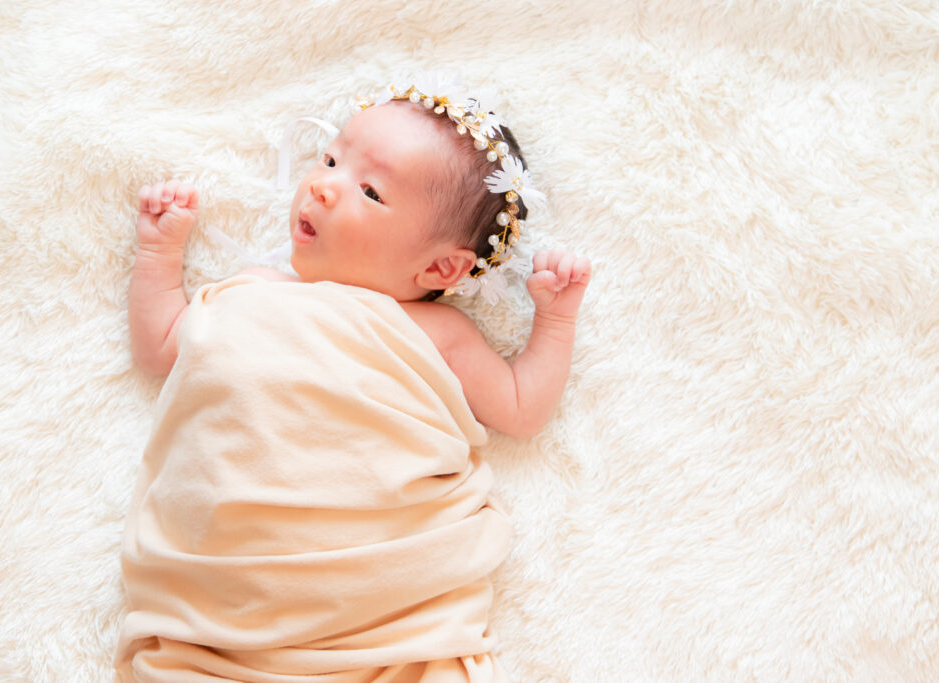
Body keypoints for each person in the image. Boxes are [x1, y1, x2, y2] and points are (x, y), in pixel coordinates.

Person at [117, 80, 591, 681]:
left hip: (376, 607)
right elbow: (160, 346)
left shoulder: (434, 333)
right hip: (223, 596)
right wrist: (159, 253)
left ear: (441, 267)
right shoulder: (252, 290)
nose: (323, 185)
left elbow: (522, 409)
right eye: (331, 159)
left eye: (370, 192)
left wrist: (556, 319)